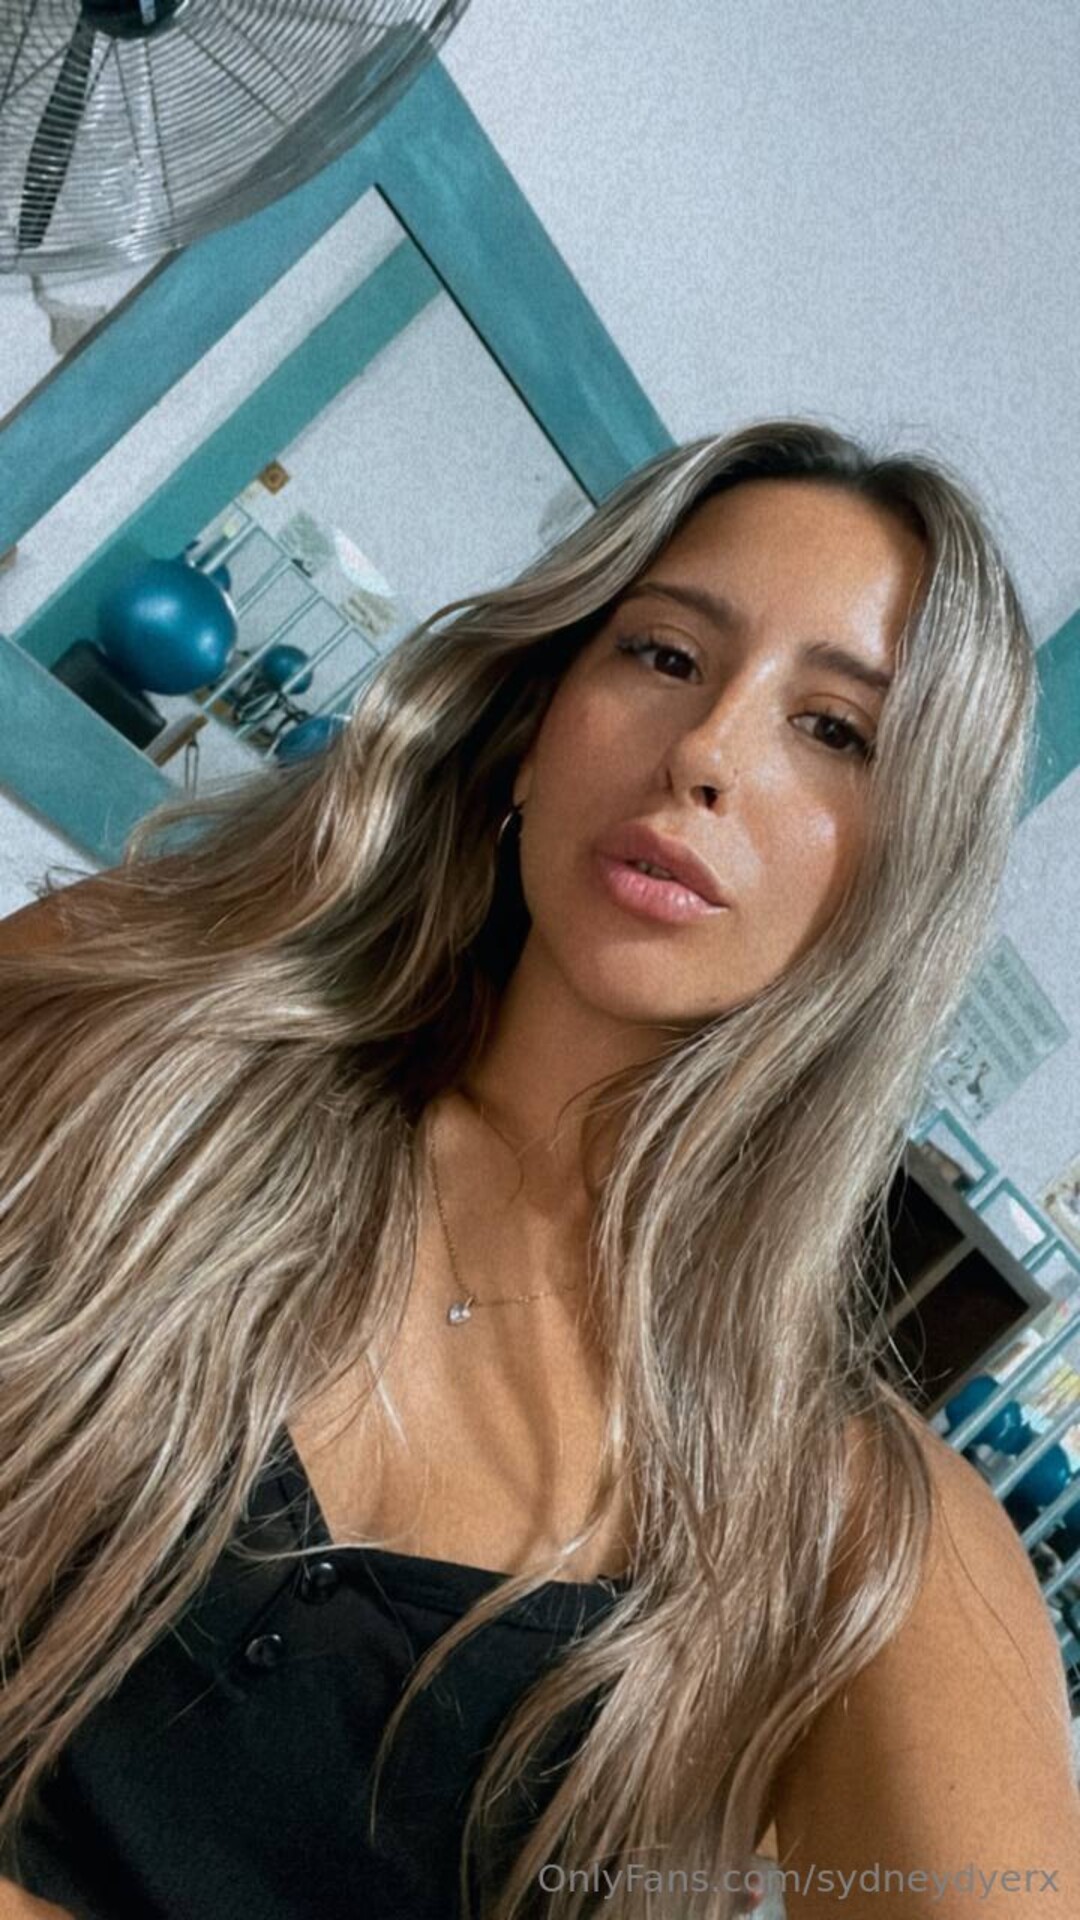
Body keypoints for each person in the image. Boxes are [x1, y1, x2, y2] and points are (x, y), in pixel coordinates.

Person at [0, 419, 1077, 1920]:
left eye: (836, 730)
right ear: (535, 719)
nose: (705, 752)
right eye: (664, 655)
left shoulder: (860, 1547)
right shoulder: (126, 1020)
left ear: (901, 880)